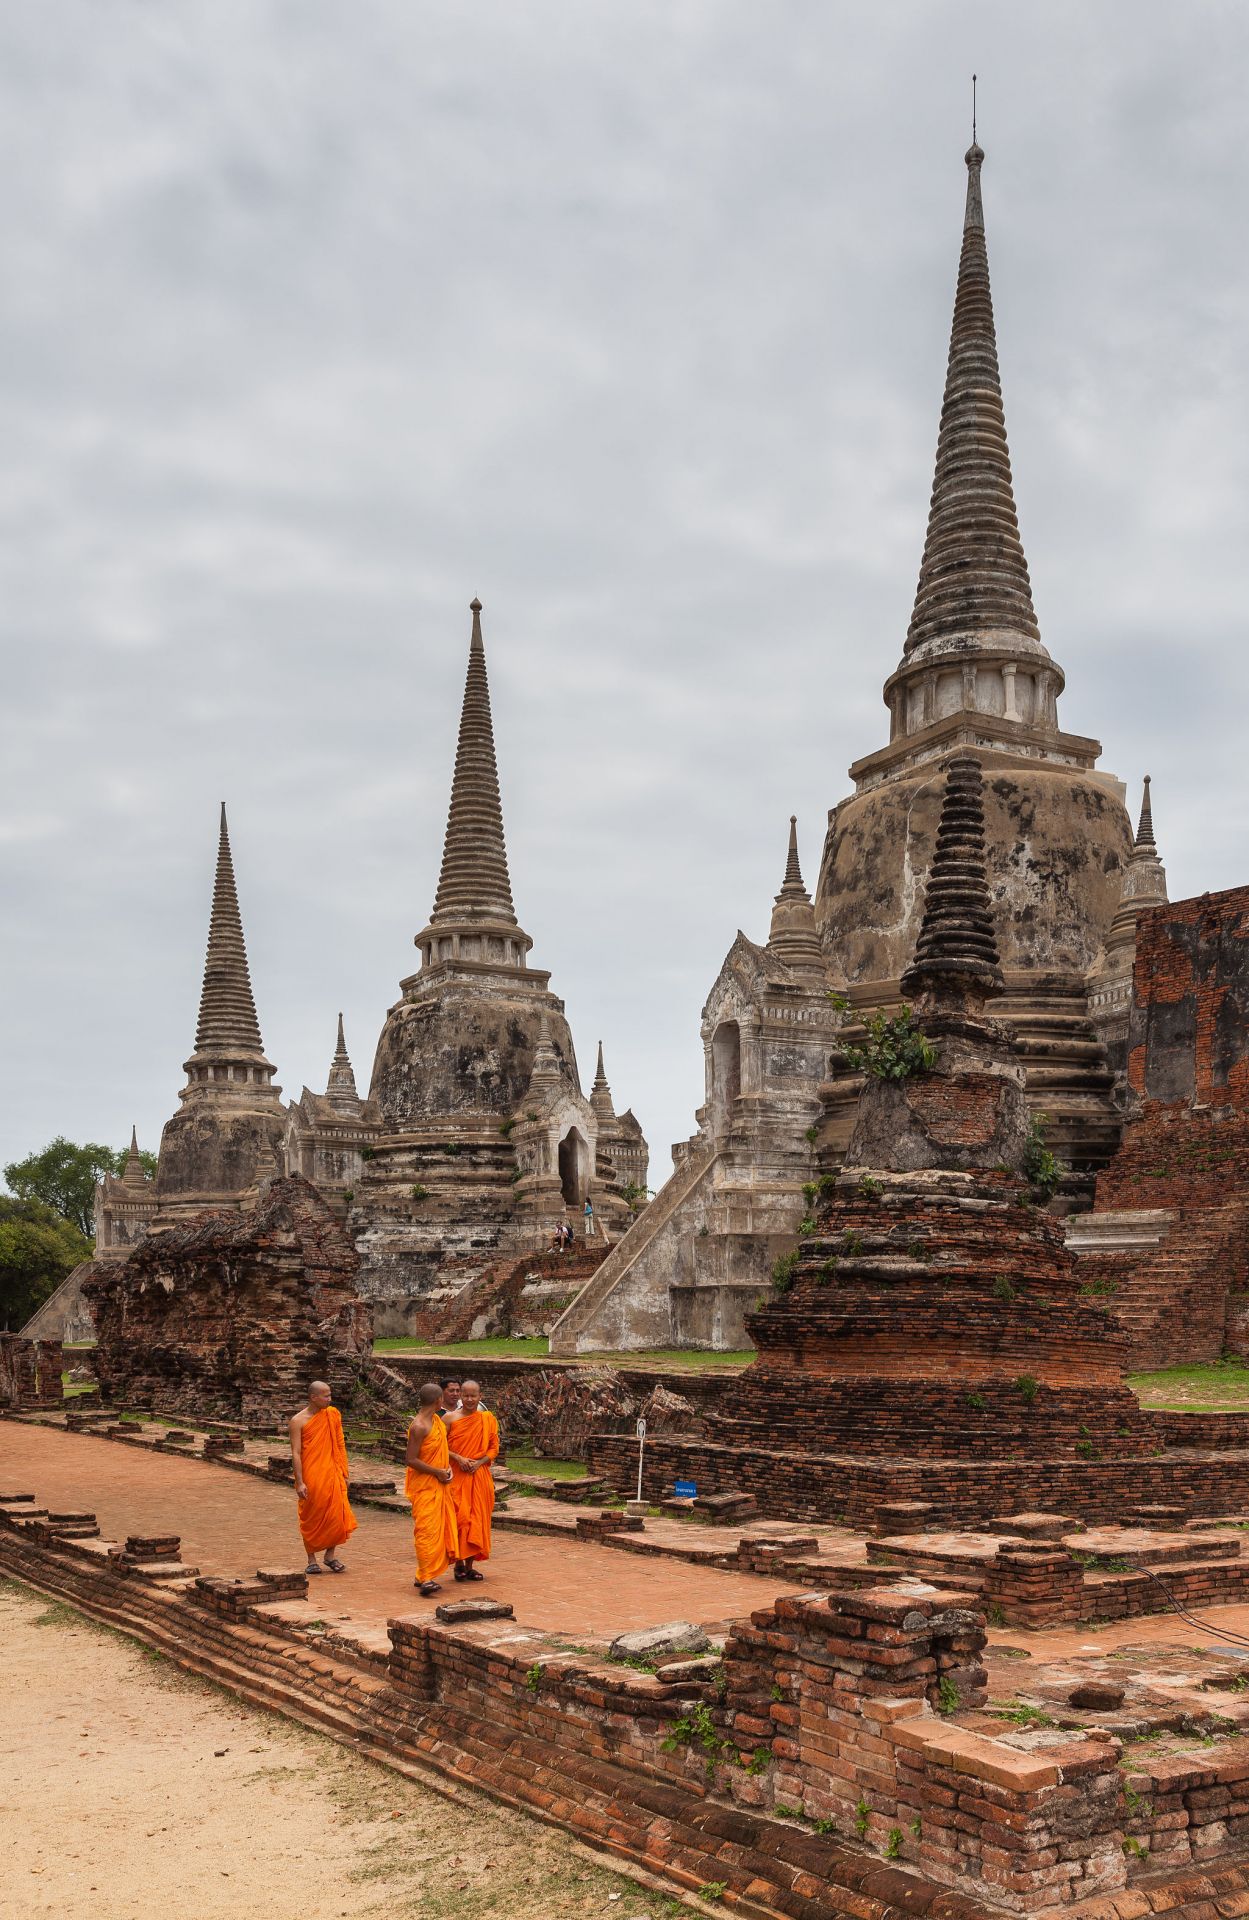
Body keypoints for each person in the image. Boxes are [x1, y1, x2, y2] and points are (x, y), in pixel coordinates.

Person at [289, 1381, 356, 1576]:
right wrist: (300, 1481)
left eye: (330, 1395)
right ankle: (311, 1559)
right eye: (325, 1396)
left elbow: (339, 1443)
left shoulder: (332, 1415)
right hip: (312, 1474)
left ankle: (330, 1556)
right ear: (313, 1397)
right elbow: (296, 1453)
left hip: (332, 1471)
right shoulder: (298, 1421)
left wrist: (344, 1472)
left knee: (337, 1516)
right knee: (311, 1514)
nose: (329, 1399)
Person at [405, 1382, 459, 1596]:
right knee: (426, 1531)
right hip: (425, 1486)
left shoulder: (436, 1420)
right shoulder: (419, 1426)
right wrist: (436, 1471)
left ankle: (422, 1575)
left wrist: (445, 1470)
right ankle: (427, 1577)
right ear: (438, 1401)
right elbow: (410, 1459)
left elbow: (441, 1450)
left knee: (437, 1529)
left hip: (439, 1482)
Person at [447, 1379, 500, 1583]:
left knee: (477, 1520)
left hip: (479, 1476)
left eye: (473, 1396)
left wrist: (479, 1463)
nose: (469, 1399)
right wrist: (458, 1458)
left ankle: (470, 1566)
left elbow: (494, 1448)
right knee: (460, 1520)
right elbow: (438, 1446)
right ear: (461, 1396)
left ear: (480, 1397)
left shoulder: (487, 1419)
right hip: (458, 1475)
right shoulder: (449, 1419)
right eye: (465, 1395)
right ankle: (458, 1563)